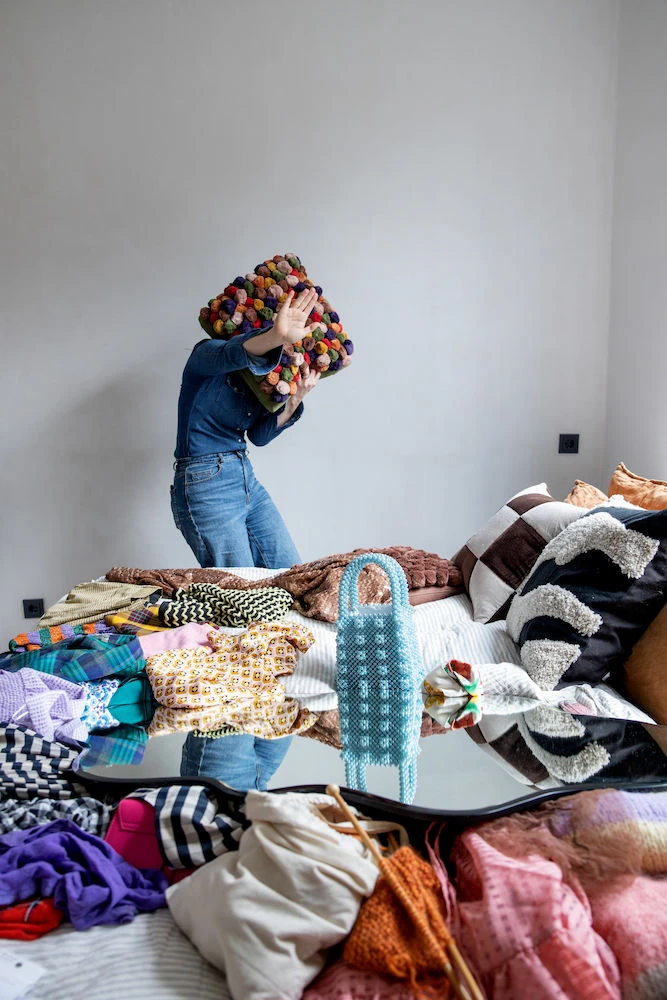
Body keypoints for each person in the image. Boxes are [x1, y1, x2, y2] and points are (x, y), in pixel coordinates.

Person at [170, 287, 321, 791]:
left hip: (242, 473)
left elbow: (260, 435)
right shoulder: (207, 356)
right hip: (204, 480)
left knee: (292, 579)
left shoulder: (259, 379)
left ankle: (262, 701)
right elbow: (236, 351)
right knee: (236, 602)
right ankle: (228, 711)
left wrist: (295, 399)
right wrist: (275, 336)